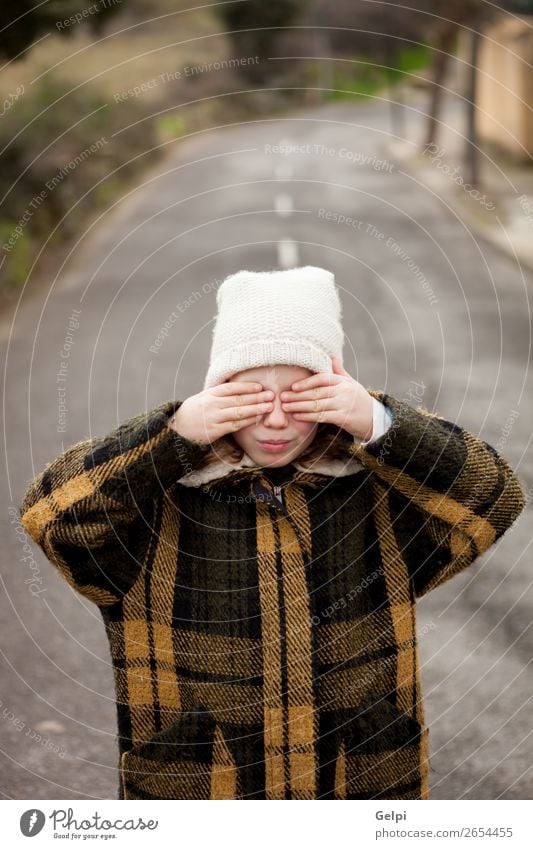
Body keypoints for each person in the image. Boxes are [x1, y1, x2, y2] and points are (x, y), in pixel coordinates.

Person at [18, 265, 525, 800]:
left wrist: (379, 422)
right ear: (215, 396)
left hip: (359, 788)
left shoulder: (376, 497)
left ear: (336, 395)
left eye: (304, 396)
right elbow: (51, 517)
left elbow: (494, 496)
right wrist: (170, 439)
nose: (277, 420)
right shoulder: (157, 506)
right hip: (202, 797)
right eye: (252, 397)